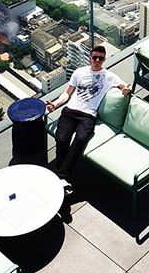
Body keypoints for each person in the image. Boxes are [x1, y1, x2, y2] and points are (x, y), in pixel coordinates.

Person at [46, 45, 131, 192]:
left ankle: (60, 177)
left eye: (101, 58)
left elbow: (124, 85)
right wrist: (55, 104)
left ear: (104, 59)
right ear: (89, 57)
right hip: (70, 111)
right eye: (95, 57)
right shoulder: (79, 72)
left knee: (80, 140)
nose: (97, 60)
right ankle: (62, 179)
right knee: (62, 139)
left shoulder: (109, 76)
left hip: (88, 115)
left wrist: (125, 89)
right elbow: (67, 93)